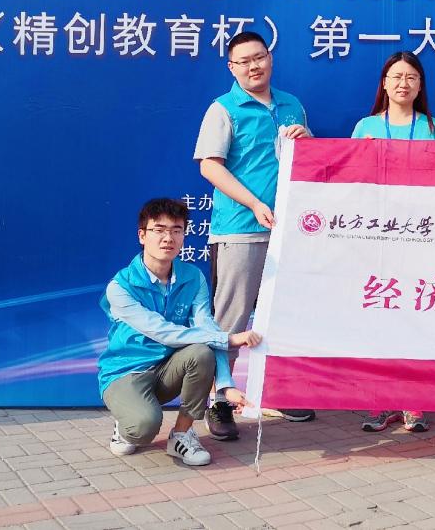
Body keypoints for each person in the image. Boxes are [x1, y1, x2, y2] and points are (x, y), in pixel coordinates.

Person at [194, 31, 315, 441]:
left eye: (259, 57)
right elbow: (210, 166)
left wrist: (309, 141)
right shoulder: (223, 109)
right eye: (243, 61)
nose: (253, 66)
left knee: (283, 316)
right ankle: (219, 401)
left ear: (270, 58)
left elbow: (306, 161)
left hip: (288, 231)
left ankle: (277, 392)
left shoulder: (291, 104)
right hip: (240, 230)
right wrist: (253, 203)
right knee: (230, 319)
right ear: (232, 68)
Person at [97, 198, 262, 465]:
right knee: (143, 427)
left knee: (201, 352)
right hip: (126, 370)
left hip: (167, 370)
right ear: (142, 235)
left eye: (176, 230)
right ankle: (126, 422)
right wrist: (229, 339)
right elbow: (162, 332)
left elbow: (207, 329)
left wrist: (225, 385)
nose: (168, 238)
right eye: (159, 230)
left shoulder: (193, 277)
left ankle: (182, 436)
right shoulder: (120, 287)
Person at [351, 51, 435, 433]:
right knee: (380, 315)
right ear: (384, 83)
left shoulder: (434, 128)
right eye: (396, 76)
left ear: (420, 85)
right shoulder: (366, 127)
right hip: (376, 236)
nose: (403, 83)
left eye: (411, 77)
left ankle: (414, 399)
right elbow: (351, 179)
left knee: (416, 315)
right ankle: (381, 399)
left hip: (421, 236)